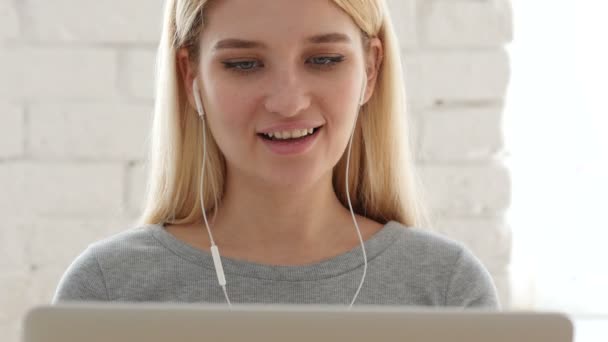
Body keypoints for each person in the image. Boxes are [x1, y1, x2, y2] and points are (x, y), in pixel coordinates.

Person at [53, 0, 499, 308]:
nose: (288, 102)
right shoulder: (107, 290)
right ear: (191, 77)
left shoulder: (447, 288)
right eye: (244, 64)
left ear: (371, 69)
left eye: (323, 60)